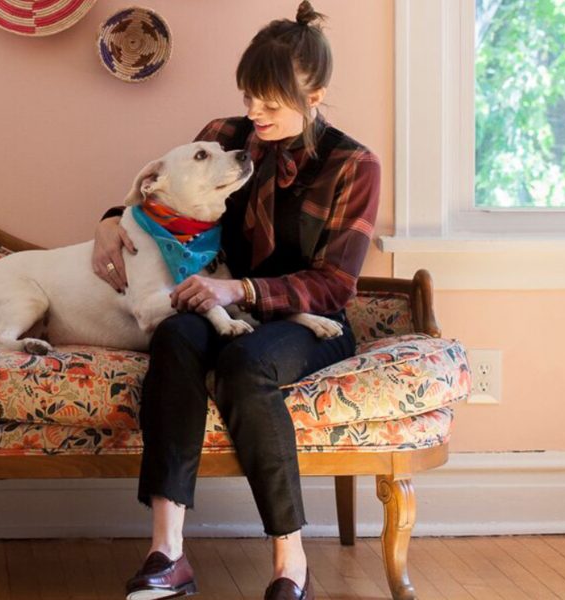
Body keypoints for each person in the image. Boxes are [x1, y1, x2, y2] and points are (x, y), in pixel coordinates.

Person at [92, 2, 381, 599]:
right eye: (249, 96)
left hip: (308, 318)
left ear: (315, 96)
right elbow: (169, 200)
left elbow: (334, 284)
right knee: (175, 335)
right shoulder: (223, 137)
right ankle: (167, 553)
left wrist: (241, 289)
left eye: (270, 104)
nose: (254, 114)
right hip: (222, 302)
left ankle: (290, 562)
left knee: (247, 364)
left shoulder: (354, 165)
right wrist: (111, 219)